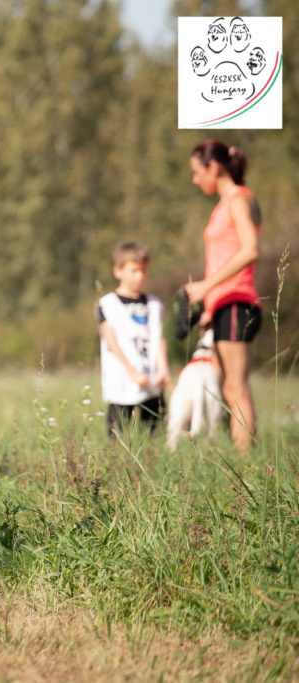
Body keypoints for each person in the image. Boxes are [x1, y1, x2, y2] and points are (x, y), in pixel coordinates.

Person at [183, 139, 262, 452]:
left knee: (234, 386)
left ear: (212, 167)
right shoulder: (224, 204)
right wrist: (209, 305)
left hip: (237, 302)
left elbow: (250, 250)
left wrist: (205, 286)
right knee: (223, 384)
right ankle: (229, 449)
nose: (194, 179)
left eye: (196, 172)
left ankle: (247, 464)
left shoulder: (240, 200)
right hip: (222, 304)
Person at [95, 242, 170, 439]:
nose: (140, 276)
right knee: (117, 440)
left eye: (144, 270)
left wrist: (163, 369)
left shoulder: (154, 304)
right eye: (134, 270)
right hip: (122, 381)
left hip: (152, 381)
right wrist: (132, 372)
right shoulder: (107, 304)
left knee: (154, 436)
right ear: (118, 271)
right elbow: (110, 342)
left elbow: (159, 337)